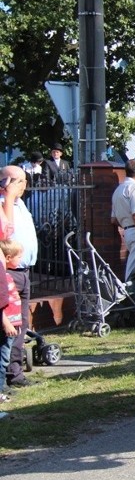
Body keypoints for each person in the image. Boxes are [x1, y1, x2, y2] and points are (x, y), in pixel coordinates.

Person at [0, 165, 38, 388]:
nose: (24, 185)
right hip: (9, 272)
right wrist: (8, 196)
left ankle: (15, 371)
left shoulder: (20, 204)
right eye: (20, 181)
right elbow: (7, 232)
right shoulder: (5, 205)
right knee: (9, 326)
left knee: (21, 324)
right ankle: (7, 375)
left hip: (24, 269)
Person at [0, 239, 19, 403]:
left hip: (12, 326)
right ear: (7, 257)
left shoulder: (8, 276)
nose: (20, 261)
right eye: (18, 257)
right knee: (3, 359)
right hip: (7, 326)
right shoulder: (3, 278)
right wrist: (6, 323)